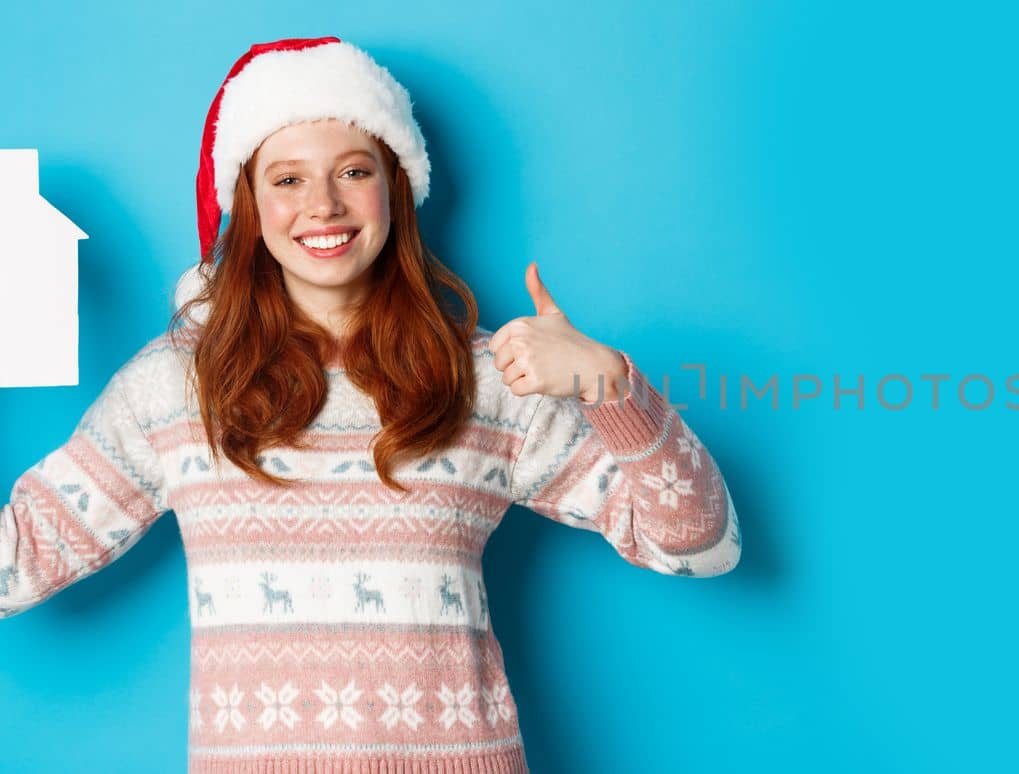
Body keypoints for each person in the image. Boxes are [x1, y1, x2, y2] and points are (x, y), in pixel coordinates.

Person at [0, 36, 740, 773]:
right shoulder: (178, 385)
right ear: (250, 205)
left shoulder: (485, 380)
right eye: (287, 179)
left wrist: (612, 386)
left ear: (396, 187)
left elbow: (704, 548)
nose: (322, 204)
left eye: (353, 171)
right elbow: (15, 566)